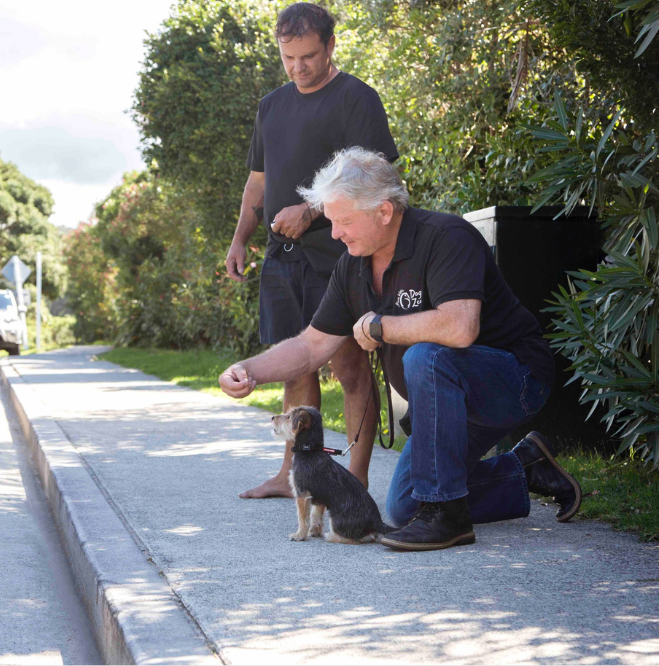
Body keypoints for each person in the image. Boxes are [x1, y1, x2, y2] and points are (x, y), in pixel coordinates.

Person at [219, 147, 582, 551]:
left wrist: (382, 325)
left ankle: (450, 520)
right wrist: (249, 369)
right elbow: (310, 346)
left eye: (343, 221)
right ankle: (525, 468)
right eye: (332, 221)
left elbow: (461, 327)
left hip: (514, 382)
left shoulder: (446, 237)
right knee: (406, 505)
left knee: (424, 355)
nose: (334, 232)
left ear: (385, 212)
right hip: (446, 405)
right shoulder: (352, 265)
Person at [226, 2, 399, 498]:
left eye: (307, 56)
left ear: (330, 47)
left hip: (342, 257)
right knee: (294, 365)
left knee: (348, 367)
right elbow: (256, 183)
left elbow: (379, 179)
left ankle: (356, 481)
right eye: (288, 57)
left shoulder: (357, 99)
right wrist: (240, 239)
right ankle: (292, 476)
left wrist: (313, 210)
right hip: (283, 258)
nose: (298, 67)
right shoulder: (271, 106)